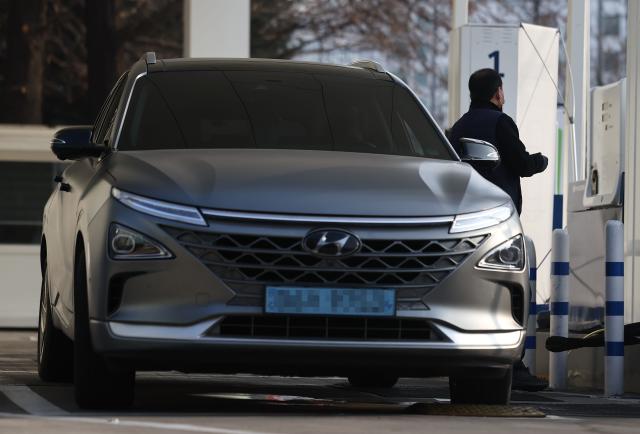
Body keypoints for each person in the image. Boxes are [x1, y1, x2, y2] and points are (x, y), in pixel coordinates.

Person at [449, 68, 549, 392]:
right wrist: (540, 161)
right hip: (499, 220)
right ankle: (513, 364)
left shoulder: (459, 127)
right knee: (509, 289)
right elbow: (519, 163)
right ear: (497, 93)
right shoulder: (500, 122)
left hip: (462, 220)